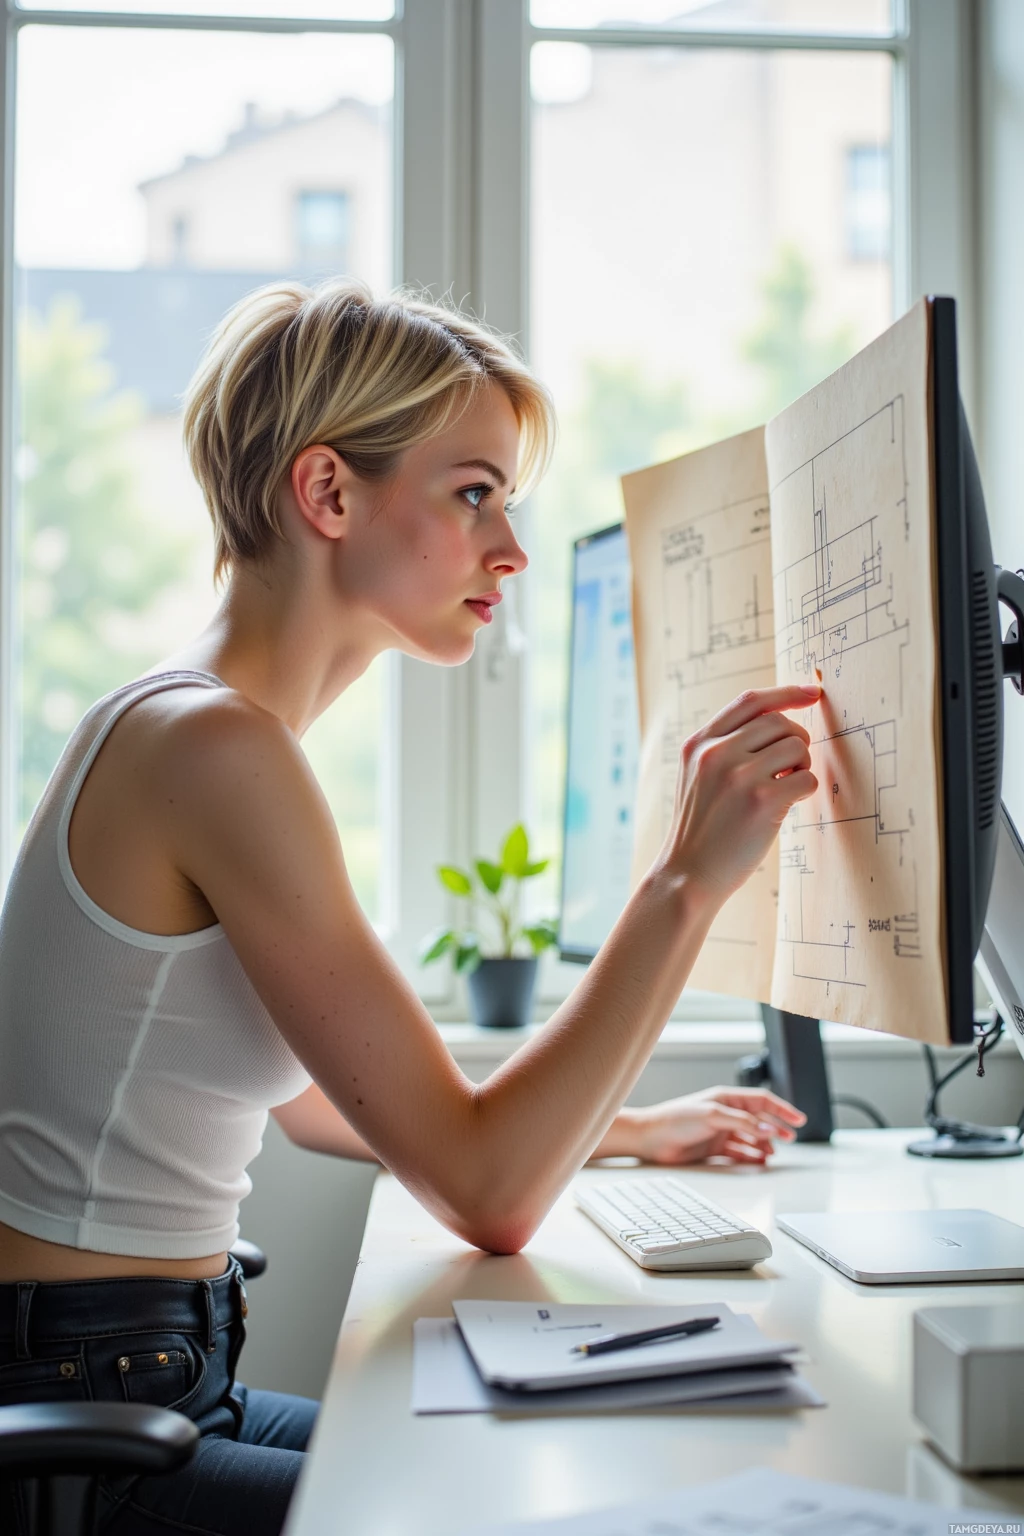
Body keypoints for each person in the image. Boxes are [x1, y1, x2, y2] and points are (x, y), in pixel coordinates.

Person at [0, 280, 818, 1536]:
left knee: (486, 1470)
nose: (512, 549)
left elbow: (314, 1097)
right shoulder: (216, 749)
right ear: (328, 495)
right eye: (474, 492)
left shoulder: (189, 725)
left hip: (133, 1372)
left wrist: (631, 1129)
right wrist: (683, 884)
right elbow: (487, 1192)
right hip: (81, 1405)